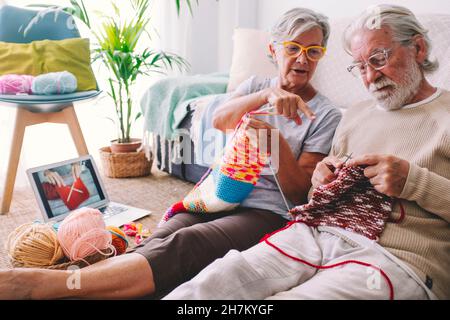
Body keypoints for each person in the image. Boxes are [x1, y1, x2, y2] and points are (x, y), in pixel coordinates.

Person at [0, 8, 342, 299]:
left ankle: (50, 285)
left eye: (314, 51)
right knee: (162, 236)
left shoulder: (325, 114)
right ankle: (86, 281)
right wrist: (267, 97)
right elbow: (221, 120)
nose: (302, 59)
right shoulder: (255, 86)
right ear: (274, 49)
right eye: (294, 47)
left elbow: (299, 193)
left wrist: (273, 140)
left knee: (187, 243)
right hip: (220, 195)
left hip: (266, 213)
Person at [163, 4, 450, 300]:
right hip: (313, 234)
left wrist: (414, 182)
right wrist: (321, 182)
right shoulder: (355, 114)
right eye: (360, 66)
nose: (370, 77)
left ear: (418, 48)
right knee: (214, 282)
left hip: (393, 258)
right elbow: (316, 197)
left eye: (378, 59)